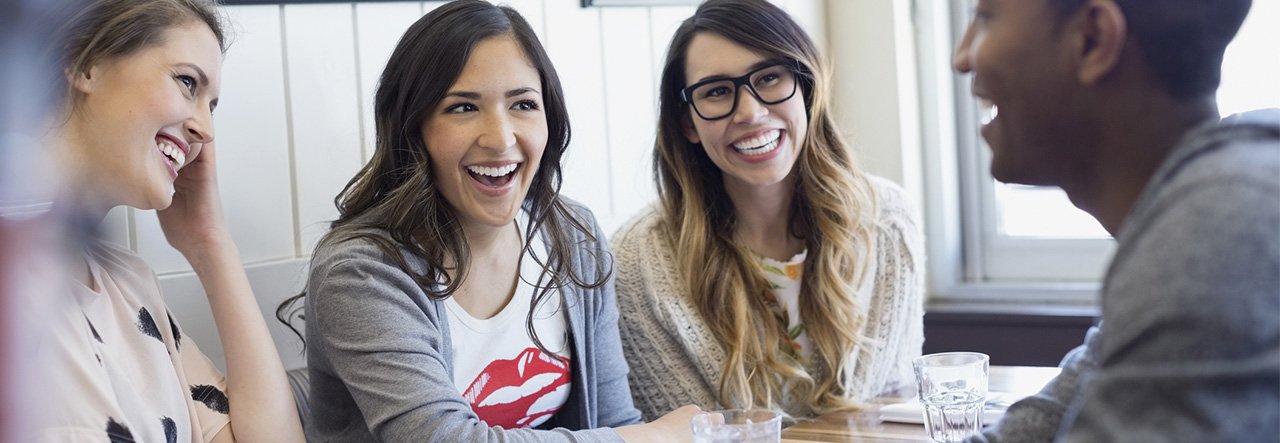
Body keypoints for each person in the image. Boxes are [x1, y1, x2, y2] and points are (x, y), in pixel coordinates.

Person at [286, 1, 699, 441]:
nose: (501, 139)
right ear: (412, 127)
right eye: (463, 108)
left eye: (523, 104)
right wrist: (655, 436)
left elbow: (613, 421)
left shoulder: (574, 237)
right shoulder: (362, 273)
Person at [952, 0, 1279, 441]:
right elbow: (1035, 429)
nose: (962, 56)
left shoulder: (1211, 236)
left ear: (1093, 40)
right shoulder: (1196, 214)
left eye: (987, 17)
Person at [612, 0, 926, 420]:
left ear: (806, 87)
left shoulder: (888, 220)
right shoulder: (636, 263)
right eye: (717, 91)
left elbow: (893, 410)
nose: (751, 113)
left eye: (770, 78)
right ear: (688, 123)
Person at [29, 0, 306, 442]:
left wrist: (211, 246)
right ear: (85, 64)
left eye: (212, 105)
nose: (206, 129)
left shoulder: (128, 284)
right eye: (186, 82)